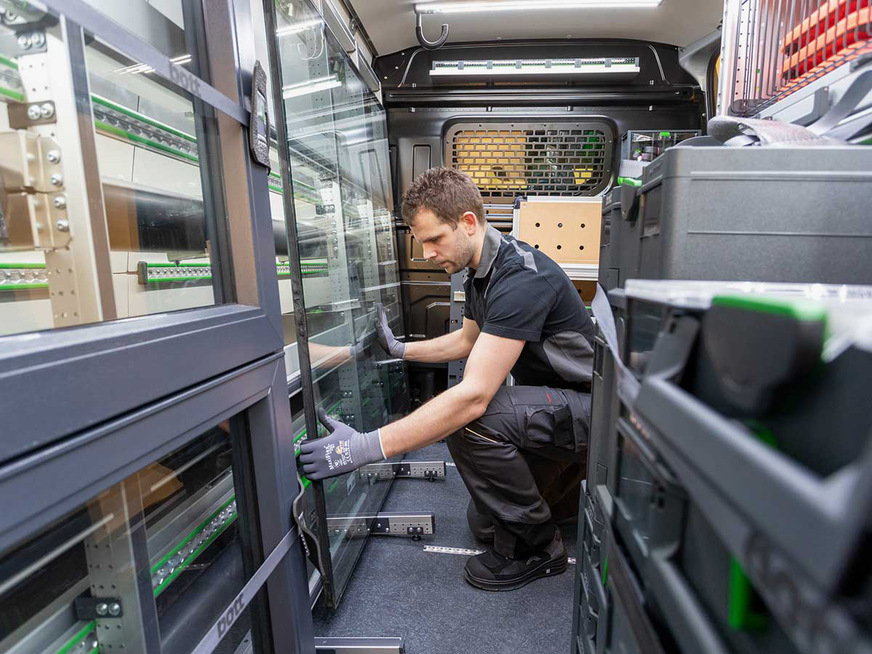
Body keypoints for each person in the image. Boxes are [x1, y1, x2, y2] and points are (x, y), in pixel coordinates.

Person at [300, 167, 594, 591]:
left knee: (474, 418)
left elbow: (473, 397)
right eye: (422, 243)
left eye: (435, 239)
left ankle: (539, 549)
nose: (427, 253)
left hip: (593, 412)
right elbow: (467, 340)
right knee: (485, 524)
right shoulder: (481, 273)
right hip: (562, 409)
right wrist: (400, 349)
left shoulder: (521, 277)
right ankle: (561, 499)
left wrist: (363, 447)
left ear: (468, 223)